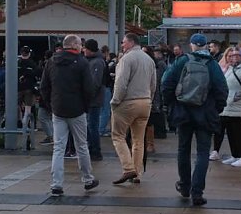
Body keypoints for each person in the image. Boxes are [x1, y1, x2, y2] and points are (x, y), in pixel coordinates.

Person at [161, 33, 228, 206]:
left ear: (191, 45)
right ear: (205, 46)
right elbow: (222, 89)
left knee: (183, 149)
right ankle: (197, 192)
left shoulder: (182, 61)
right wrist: (216, 109)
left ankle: (184, 185)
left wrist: (171, 105)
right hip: (205, 113)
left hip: (183, 112)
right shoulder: (213, 64)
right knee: (203, 152)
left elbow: (166, 83)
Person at [39, 34, 98, 196]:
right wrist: (85, 106)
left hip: (58, 109)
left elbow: (44, 86)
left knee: (58, 147)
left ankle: (56, 184)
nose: (81, 47)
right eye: (80, 44)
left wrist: (51, 105)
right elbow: (89, 88)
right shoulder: (81, 62)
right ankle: (87, 179)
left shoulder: (51, 62)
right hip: (77, 110)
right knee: (81, 146)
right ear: (74, 45)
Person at [110, 33, 157, 185]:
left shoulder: (126, 59)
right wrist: (149, 98)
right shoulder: (149, 59)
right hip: (145, 102)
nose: (122, 46)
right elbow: (153, 84)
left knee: (118, 136)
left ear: (130, 43)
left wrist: (115, 101)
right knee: (138, 140)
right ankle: (137, 173)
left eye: (123, 43)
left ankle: (128, 168)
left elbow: (121, 83)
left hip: (128, 102)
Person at [218, 48, 241, 167]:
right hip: (228, 105)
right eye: (231, 55)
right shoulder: (230, 68)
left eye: (237, 55)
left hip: (239, 105)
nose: (233, 57)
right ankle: (235, 155)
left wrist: (235, 97)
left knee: (240, 132)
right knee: (231, 132)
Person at [82, 39, 106, 161]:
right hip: (90, 99)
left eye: (85, 48)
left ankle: (95, 150)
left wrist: (87, 95)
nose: (83, 50)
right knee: (89, 125)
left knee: (92, 125)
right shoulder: (90, 61)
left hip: (93, 100)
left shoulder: (97, 62)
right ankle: (92, 148)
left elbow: (95, 83)